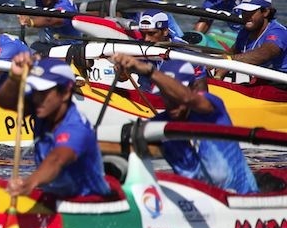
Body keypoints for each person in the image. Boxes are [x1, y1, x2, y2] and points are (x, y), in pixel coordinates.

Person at [111, 55, 258, 194]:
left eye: (175, 95)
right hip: (198, 202)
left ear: (193, 88)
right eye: (165, 95)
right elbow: (122, 146)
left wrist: (149, 71)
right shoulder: (158, 125)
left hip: (244, 198)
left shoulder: (212, 107)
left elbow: (187, 98)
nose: (171, 102)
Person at [0, 54, 111, 199]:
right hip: (56, 198)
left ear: (66, 93)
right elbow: (5, 102)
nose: (37, 99)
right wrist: (15, 78)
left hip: (90, 202)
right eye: (35, 92)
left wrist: (29, 183)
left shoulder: (76, 128)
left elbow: (56, 160)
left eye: (44, 93)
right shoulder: (43, 109)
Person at [222, 0, 287, 75]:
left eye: (250, 12)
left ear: (265, 12)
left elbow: (264, 54)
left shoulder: (278, 32)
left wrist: (229, 60)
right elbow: (232, 53)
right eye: (244, 12)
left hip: (280, 79)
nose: (246, 16)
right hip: (259, 78)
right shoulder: (245, 31)